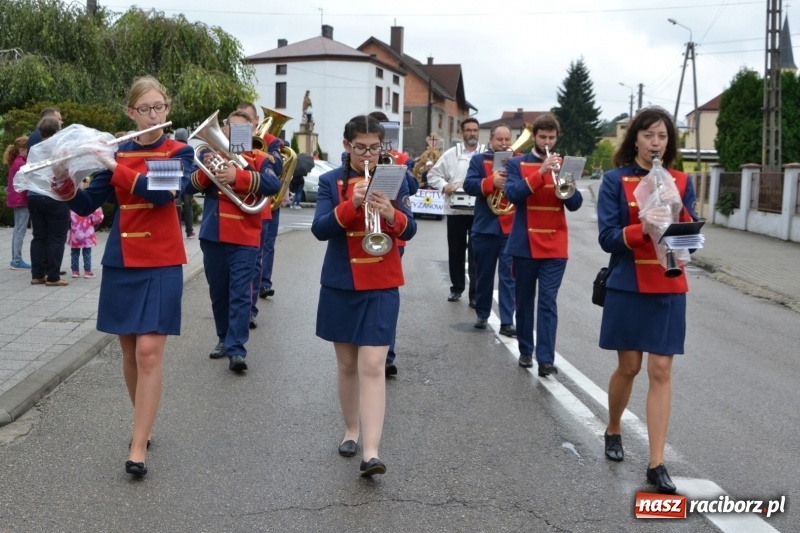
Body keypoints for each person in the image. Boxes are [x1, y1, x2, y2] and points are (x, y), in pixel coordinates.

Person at [54, 76, 195, 477]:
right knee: (130, 353)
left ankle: (137, 446)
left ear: (167, 109)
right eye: (144, 109)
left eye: (159, 107)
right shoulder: (114, 151)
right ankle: (143, 423)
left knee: (149, 352)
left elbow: (159, 193)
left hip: (162, 260)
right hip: (123, 260)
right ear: (130, 113)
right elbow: (85, 204)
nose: (153, 115)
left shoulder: (180, 151)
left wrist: (114, 165)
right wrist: (61, 179)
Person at [597, 106, 698, 494]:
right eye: (648, 135)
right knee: (630, 366)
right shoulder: (613, 180)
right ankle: (614, 426)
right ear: (635, 138)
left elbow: (689, 238)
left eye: (662, 137)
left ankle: (656, 464)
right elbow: (607, 238)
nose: (655, 143)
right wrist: (643, 227)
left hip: (668, 283)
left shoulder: (679, 180)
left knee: (660, 370)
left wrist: (679, 217)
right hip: (628, 282)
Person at [311, 115, 416, 476]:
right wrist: (349, 205)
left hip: (382, 281)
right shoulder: (329, 181)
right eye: (360, 148)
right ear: (347, 146)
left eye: (374, 148)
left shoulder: (394, 177)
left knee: (372, 365)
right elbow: (320, 230)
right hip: (342, 282)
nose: (367, 155)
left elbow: (411, 227)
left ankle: (371, 452)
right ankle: (351, 430)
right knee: (347, 365)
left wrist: (392, 214)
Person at [184, 110, 281, 372]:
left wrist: (238, 176)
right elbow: (190, 186)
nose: (237, 133)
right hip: (214, 234)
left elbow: (273, 185)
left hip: (246, 236)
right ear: (224, 130)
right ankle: (223, 338)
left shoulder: (260, 158)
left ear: (252, 133)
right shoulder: (207, 155)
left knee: (240, 293)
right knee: (219, 293)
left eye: (244, 129)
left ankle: (237, 349)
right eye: (232, 128)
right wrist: (211, 168)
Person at [504, 114, 583, 377]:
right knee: (525, 301)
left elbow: (574, 204)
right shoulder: (517, 163)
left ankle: (546, 359)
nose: (547, 142)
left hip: (555, 244)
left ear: (556, 138)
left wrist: (564, 178)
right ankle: (526, 350)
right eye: (542, 137)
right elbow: (513, 195)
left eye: (551, 137)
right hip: (524, 244)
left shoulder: (565, 165)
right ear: (534, 137)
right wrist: (540, 173)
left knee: (548, 301)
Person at [368, 111, 419, 378]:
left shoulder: (401, 159)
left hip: (393, 236)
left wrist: (399, 166)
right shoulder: (353, 158)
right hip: (365, 232)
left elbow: (413, 188)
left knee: (387, 297)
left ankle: (387, 355)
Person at [462, 124, 516, 336]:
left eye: (507, 139)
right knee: (484, 275)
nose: (503, 143)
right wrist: (491, 181)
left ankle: (506, 321)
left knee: (508, 276)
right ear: (491, 141)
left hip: (510, 227)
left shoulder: (518, 160)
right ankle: (483, 313)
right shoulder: (479, 160)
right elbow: (469, 185)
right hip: (485, 227)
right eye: (499, 140)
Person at [425, 118, 484, 306]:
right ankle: (457, 288)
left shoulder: (486, 154)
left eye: (475, 130)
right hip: (455, 210)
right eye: (468, 130)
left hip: (479, 211)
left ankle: (475, 294)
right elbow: (432, 175)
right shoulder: (451, 154)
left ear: (478, 132)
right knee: (456, 251)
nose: (472, 133)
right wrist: (444, 186)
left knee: (477, 254)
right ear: (462, 133)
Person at [28, 116, 70, 286]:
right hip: (54, 197)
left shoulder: (34, 149)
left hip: (34, 195)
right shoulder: (59, 149)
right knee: (57, 237)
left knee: (38, 236)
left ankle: (37, 274)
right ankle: (53, 276)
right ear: (58, 131)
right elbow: (64, 172)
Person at [68, 178, 104, 278]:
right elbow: (98, 217)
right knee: (87, 252)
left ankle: (75, 271)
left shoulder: (73, 203)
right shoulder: (90, 202)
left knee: (74, 253)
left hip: (75, 233)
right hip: (87, 233)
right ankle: (87, 272)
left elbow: (68, 217)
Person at [5, 136, 31, 270]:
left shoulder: (16, 161)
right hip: (21, 200)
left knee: (17, 230)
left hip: (16, 199)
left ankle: (15, 259)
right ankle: (17, 260)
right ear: (22, 149)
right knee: (20, 230)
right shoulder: (21, 163)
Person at [173, 127, 196, 238]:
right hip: (187, 184)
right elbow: (194, 167)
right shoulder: (189, 148)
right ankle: (190, 231)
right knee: (188, 207)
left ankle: (177, 231)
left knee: (176, 207)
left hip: (175, 183)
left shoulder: (172, 148)